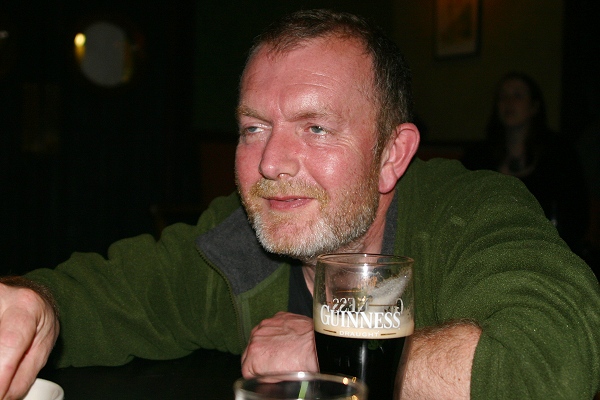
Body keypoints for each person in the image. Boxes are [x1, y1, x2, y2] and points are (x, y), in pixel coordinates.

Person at [0, 9, 599, 400]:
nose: (271, 163)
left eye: (315, 128)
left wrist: (328, 351)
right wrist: (40, 308)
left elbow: (558, 362)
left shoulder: (465, 214)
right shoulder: (239, 247)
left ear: (392, 154)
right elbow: (101, 300)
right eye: (254, 128)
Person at [462, 72, 590, 255]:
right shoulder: (477, 156)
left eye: (517, 96)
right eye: (503, 96)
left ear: (534, 106)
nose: (509, 102)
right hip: (489, 251)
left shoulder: (559, 155)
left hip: (547, 252)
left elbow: (575, 217)